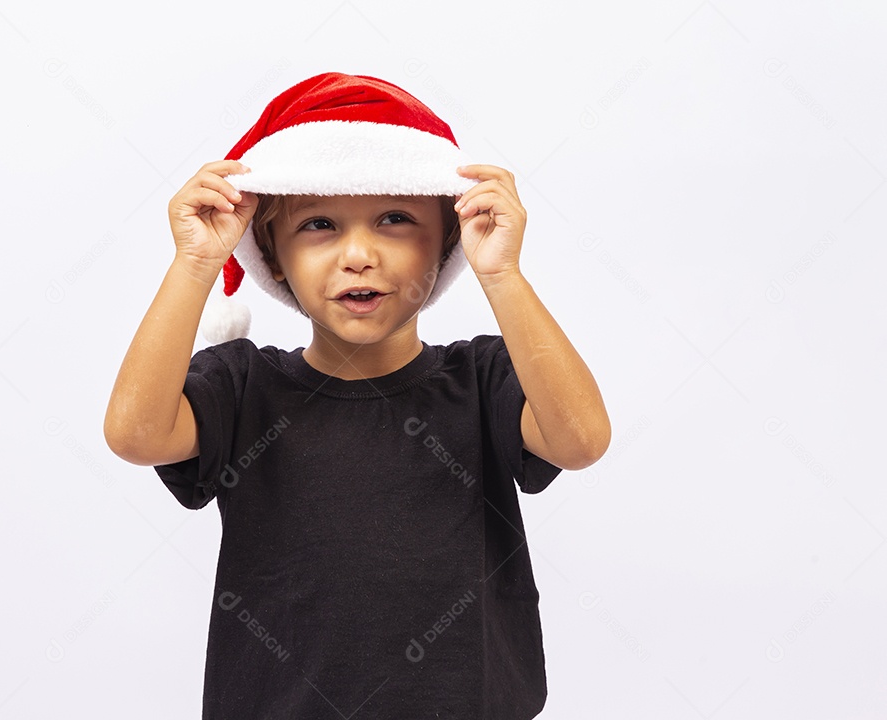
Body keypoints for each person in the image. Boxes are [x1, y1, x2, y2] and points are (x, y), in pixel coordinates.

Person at [104, 72, 610, 720]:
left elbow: (581, 439)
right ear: (273, 255)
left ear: (447, 241)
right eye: (320, 225)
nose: (359, 254)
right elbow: (134, 434)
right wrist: (196, 264)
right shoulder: (243, 387)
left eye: (394, 220)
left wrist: (502, 272)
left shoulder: (483, 379)